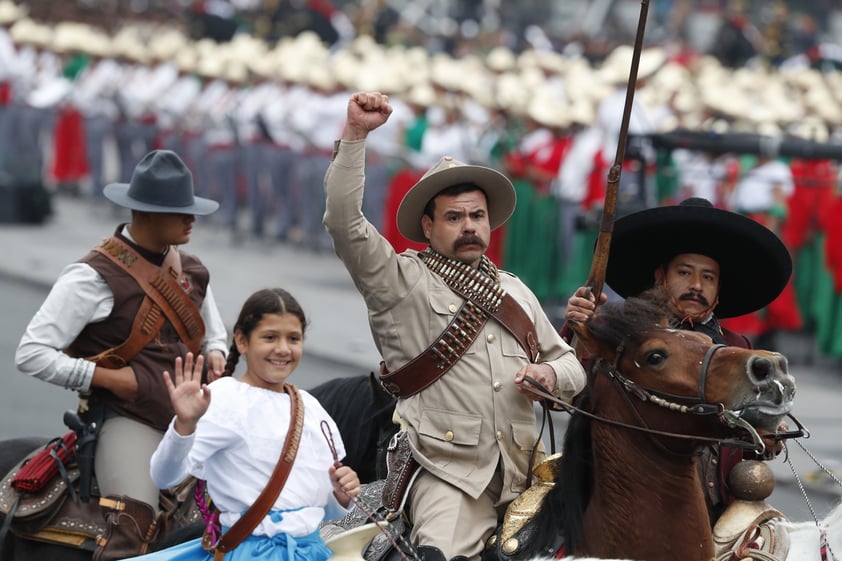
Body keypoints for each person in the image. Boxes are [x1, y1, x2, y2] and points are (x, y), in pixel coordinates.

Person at [323, 91, 587, 561]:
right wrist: (356, 136)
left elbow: (568, 365)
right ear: (428, 227)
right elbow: (344, 222)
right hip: (449, 478)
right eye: (454, 217)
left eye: (477, 216)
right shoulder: (399, 282)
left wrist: (551, 376)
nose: (468, 226)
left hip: (526, 475)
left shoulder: (515, 290)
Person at [15, 149, 229, 559]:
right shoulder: (92, 275)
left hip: (200, 418)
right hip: (132, 419)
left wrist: (216, 355)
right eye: (179, 210)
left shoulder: (192, 270)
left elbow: (214, 335)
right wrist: (108, 379)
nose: (192, 219)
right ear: (145, 213)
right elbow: (30, 353)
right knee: (133, 526)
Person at [563, 196, 793, 522]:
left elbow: (746, 439)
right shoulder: (627, 338)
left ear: (718, 291)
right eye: (684, 273)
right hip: (631, 503)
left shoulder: (737, 347)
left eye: (708, 278)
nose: (696, 286)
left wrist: (767, 430)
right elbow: (574, 391)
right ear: (661, 277)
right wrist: (578, 330)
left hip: (715, 507)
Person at [124, 288, 361, 561]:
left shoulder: (312, 408)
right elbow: (165, 477)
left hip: (313, 552)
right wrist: (184, 425)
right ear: (241, 340)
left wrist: (342, 496)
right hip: (252, 553)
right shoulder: (225, 398)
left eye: (293, 338)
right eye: (270, 337)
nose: (283, 349)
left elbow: (319, 508)